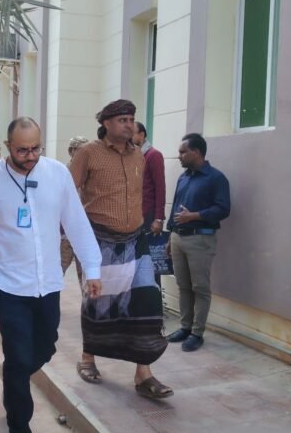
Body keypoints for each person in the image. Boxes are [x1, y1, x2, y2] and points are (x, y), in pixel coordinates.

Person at [0, 117, 102, 433]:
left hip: (48, 280)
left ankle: (14, 370)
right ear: (8, 146)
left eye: (35, 148)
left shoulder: (57, 174)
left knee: (46, 346)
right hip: (6, 283)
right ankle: (19, 423)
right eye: (22, 150)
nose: (30, 156)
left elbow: (76, 222)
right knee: (17, 352)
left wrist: (92, 269)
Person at [70, 99, 172, 399]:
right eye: (123, 120)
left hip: (136, 240)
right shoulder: (88, 153)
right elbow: (67, 192)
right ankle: (88, 358)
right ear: (106, 123)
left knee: (146, 300)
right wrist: (74, 232)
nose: (129, 125)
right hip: (99, 240)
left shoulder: (138, 154)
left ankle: (144, 374)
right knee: (98, 301)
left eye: (131, 119)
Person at [165, 133, 231, 352]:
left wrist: (194, 216)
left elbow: (223, 209)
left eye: (183, 152)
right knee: (183, 285)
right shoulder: (183, 178)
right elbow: (175, 207)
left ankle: (197, 333)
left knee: (200, 287)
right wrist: (170, 236)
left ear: (197, 152)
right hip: (178, 238)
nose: (179, 156)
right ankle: (185, 327)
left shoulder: (216, 178)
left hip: (200, 238)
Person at [61, 136, 90, 285]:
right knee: (57, 270)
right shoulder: (62, 172)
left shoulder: (92, 173)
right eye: (80, 150)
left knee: (85, 275)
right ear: (71, 151)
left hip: (85, 231)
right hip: (65, 232)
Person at [132, 122, 166, 233]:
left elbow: (160, 187)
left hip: (147, 214)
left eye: (131, 134)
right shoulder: (131, 156)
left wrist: (158, 218)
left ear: (141, 135)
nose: (128, 137)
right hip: (132, 214)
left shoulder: (153, 155)